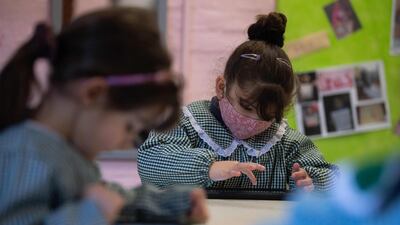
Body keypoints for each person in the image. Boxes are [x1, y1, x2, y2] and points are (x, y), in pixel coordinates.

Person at [0, 7, 208, 225]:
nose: (129, 143)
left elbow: (112, 198)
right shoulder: (23, 155)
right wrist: (92, 212)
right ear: (93, 93)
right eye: (130, 127)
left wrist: (172, 202)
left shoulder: (68, 153)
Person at [138, 12, 337, 192]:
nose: (252, 120)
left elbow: (336, 181)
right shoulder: (188, 123)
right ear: (221, 87)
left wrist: (311, 181)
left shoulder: (285, 142)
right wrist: (209, 168)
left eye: (266, 115)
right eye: (246, 106)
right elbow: (149, 162)